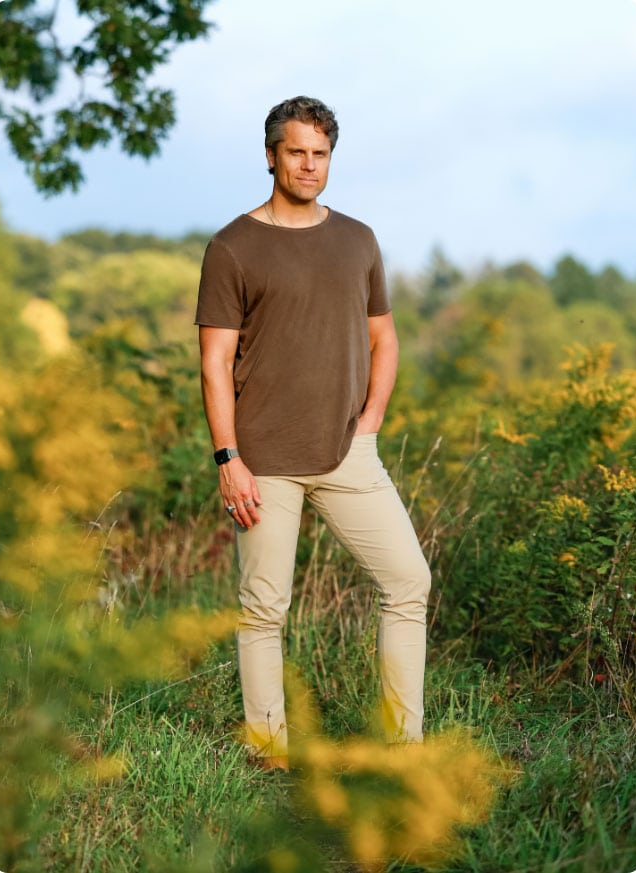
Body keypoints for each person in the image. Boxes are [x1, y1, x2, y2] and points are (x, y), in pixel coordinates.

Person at [196, 96, 431, 771]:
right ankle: (268, 752)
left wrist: (371, 422)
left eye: (319, 153)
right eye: (296, 152)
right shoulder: (233, 247)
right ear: (271, 156)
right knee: (263, 608)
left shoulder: (358, 240)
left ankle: (404, 751)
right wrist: (228, 458)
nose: (308, 165)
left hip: (348, 453)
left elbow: (384, 339)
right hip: (262, 460)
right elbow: (214, 362)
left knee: (407, 582)